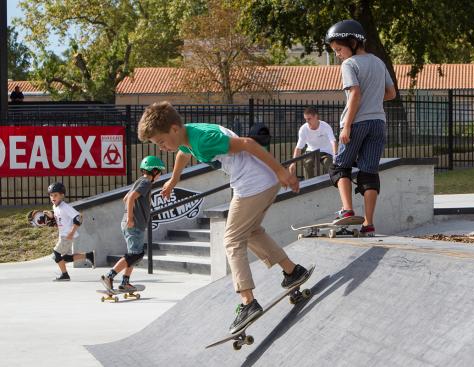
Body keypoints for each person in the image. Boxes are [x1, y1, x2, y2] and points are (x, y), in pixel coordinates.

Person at [137, 101, 312, 334]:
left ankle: (248, 302)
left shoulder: (203, 139)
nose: (161, 148)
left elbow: (249, 144)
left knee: (231, 239)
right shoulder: (187, 135)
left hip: (253, 184)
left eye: (160, 141)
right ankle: (292, 271)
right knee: (250, 232)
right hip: (260, 183)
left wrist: (281, 171)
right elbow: (182, 153)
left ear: (174, 129)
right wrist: (174, 179)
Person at [325, 19, 396, 237]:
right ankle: (369, 224)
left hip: (356, 123)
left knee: (339, 167)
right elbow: (391, 94)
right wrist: (373, 100)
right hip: (378, 123)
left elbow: (354, 94)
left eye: (339, 49)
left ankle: (347, 210)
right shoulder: (378, 62)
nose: (338, 55)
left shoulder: (350, 64)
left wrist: (346, 127)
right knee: (368, 172)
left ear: (353, 42)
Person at [101, 156, 166, 291]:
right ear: (154, 171)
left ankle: (125, 282)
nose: (160, 175)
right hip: (133, 224)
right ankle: (109, 276)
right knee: (135, 255)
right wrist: (131, 218)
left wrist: (133, 213)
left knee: (133, 254)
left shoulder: (140, 181)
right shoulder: (146, 182)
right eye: (160, 172)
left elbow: (125, 198)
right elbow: (130, 198)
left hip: (132, 224)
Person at [48, 182, 95, 281]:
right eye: (51, 195)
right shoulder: (55, 207)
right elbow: (59, 218)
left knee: (56, 254)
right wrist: (51, 216)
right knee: (66, 258)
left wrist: (71, 232)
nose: (53, 197)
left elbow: (78, 217)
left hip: (67, 235)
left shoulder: (65, 207)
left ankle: (65, 275)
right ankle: (89, 255)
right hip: (62, 235)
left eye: (55, 195)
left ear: (62, 195)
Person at [289, 106, 337, 179]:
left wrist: (335, 157)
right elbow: (298, 148)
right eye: (305, 119)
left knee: (328, 163)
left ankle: (333, 180)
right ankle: (309, 183)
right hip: (311, 150)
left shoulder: (325, 126)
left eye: (309, 119)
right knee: (308, 162)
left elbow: (333, 142)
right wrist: (293, 163)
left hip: (325, 151)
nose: (307, 121)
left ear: (316, 116)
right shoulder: (303, 129)